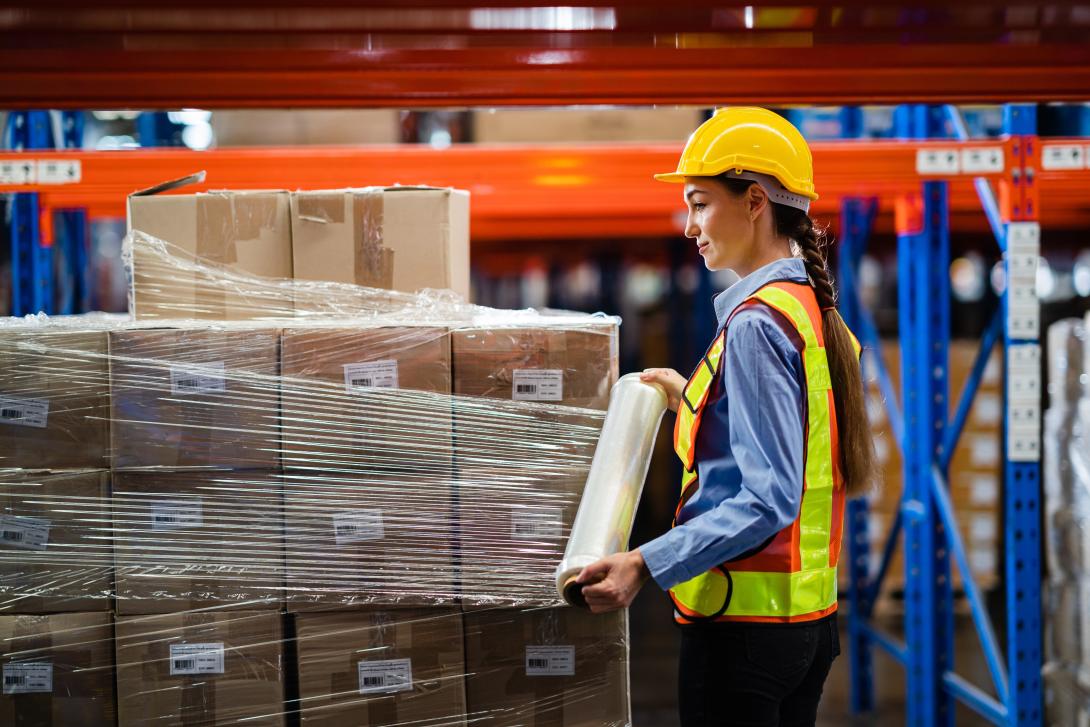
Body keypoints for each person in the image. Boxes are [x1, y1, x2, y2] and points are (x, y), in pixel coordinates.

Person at [573, 107, 877, 727]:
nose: (689, 227)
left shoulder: (758, 323)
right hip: (807, 628)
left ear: (755, 200)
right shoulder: (813, 310)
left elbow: (770, 497)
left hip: (743, 637)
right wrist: (696, 398)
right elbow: (794, 443)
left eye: (701, 203)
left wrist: (643, 563)